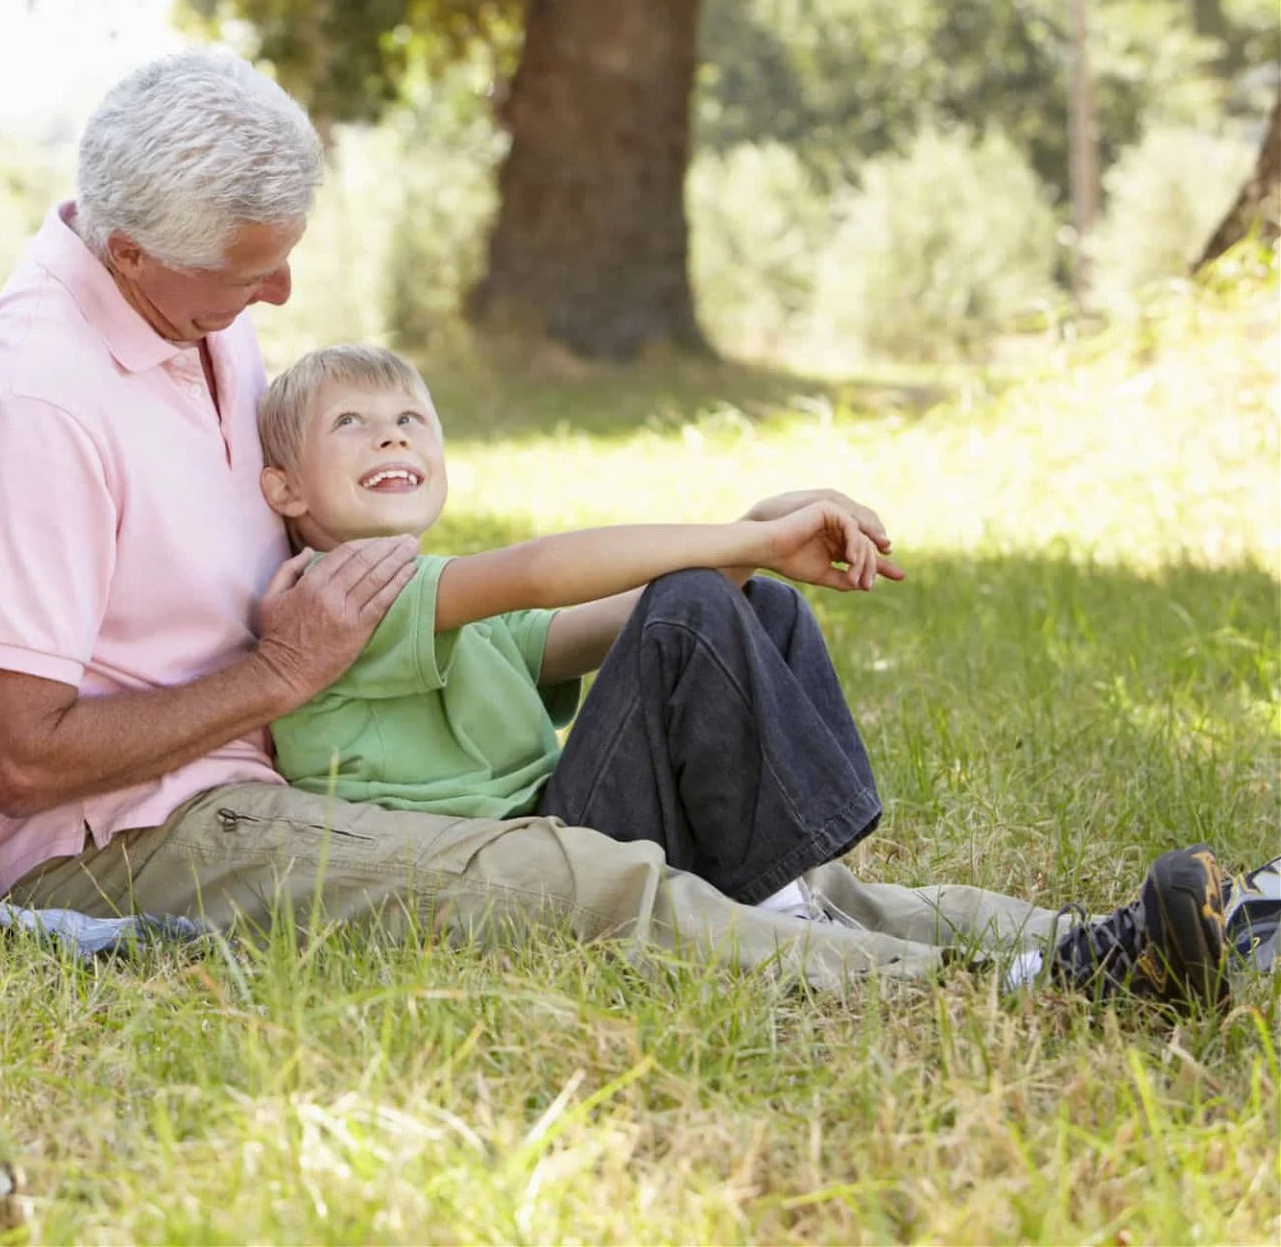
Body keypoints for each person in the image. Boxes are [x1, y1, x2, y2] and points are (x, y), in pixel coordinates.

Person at [0, 48, 1252, 999]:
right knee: (579, 881)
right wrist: (278, 676)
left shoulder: (198, 326)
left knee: (758, 860)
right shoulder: (44, 399)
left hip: (273, 770)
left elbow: (510, 621)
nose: (280, 290)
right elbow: (18, 765)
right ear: (129, 253)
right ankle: (989, 999)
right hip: (131, 841)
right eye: (250, 269)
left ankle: (1106, 940)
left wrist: (727, 564)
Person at [253, 342, 1240, 1003]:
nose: (391, 433)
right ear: (284, 487)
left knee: (745, 604)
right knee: (693, 603)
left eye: (411, 418)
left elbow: (633, 623)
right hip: (518, 875)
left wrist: (761, 542)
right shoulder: (332, 596)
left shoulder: (448, 609)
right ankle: (823, 911)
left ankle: (1097, 941)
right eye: (353, 422)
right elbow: (543, 570)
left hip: (564, 822)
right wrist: (753, 534)